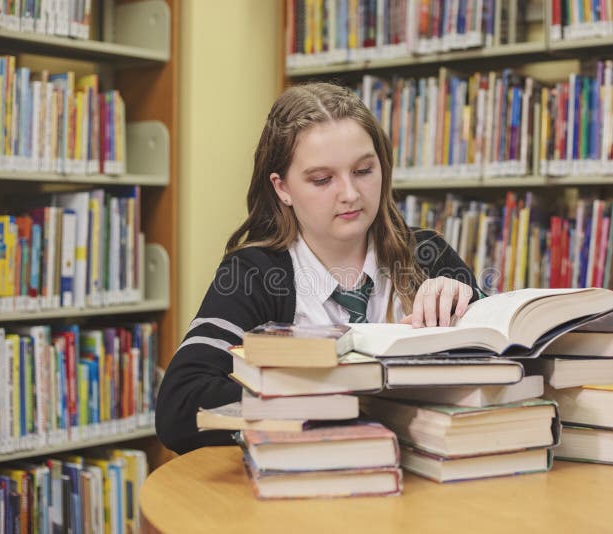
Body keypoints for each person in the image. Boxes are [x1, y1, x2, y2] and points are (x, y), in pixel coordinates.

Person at [156, 82, 483, 454]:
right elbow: (178, 408)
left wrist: (472, 302)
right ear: (282, 188)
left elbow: (512, 362)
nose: (350, 194)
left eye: (363, 170)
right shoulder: (253, 274)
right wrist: (331, 393)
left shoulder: (429, 256)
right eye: (322, 179)